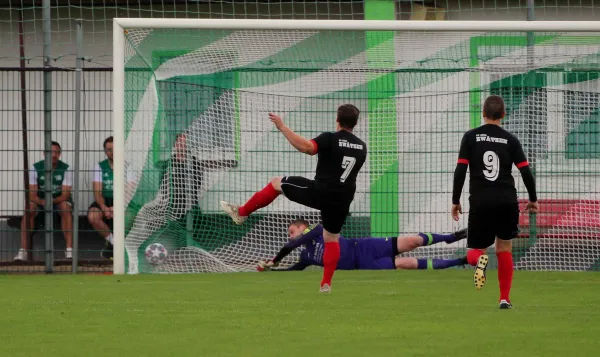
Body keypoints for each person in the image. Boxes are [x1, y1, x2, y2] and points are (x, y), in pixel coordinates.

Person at [221, 104, 367, 292]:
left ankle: (241, 213)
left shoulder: (330, 138)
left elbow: (307, 148)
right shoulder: (362, 147)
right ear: (355, 123)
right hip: (343, 200)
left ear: (337, 120)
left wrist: (282, 126)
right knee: (331, 239)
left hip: (321, 192)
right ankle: (326, 284)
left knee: (276, 183)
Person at [451, 95, 539, 309]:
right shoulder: (511, 140)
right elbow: (525, 171)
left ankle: (480, 261)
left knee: (476, 250)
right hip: (506, 200)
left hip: (481, 201)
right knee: (504, 248)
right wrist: (533, 199)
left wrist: (455, 200)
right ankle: (504, 298)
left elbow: (461, 169)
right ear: (503, 115)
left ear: (483, 113)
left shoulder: (470, 137)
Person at [257, 219, 467, 272]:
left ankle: (450, 237)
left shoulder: (317, 229)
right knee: (407, 263)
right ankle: (461, 260)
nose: (290, 237)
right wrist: (271, 270)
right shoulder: (305, 257)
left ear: (302, 227)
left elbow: (289, 247)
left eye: (291, 232)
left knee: (411, 241)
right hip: (362, 264)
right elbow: (292, 271)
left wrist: (273, 260)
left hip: (364, 246)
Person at [15, 141, 73, 261]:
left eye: (56, 152)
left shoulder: (66, 168)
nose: (53, 155)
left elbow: (66, 194)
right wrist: (42, 202)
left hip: (58, 201)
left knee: (66, 208)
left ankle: (69, 250)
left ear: (60, 154)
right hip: (39, 201)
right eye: (50, 152)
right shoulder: (35, 168)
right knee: (28, 210)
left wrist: (51, 201)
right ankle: (23, 251)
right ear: (44, 153)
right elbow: (31, 194)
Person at [88, 136, 115, 259]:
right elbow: (97, 192)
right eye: (109, 149)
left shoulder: (127, 166)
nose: (112, 152)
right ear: (105, 151)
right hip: (104, 200)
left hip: (123, 201)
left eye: (115, 149)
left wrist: (115, 207)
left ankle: (116, 244)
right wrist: (104, 207)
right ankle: (114, 242)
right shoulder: (99, 167)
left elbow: (128, 191)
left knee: (128, 217)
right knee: (93, 216)